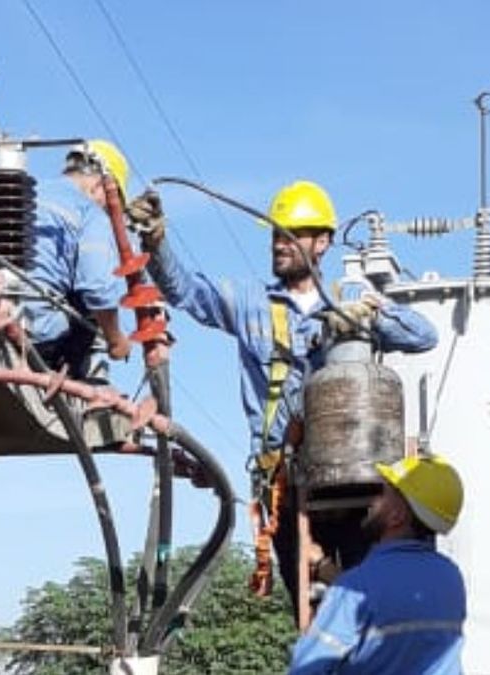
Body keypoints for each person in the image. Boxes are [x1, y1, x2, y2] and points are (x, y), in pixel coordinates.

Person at [128, 180, 438, 614]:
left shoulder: (348, 299)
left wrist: (374, 310)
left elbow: (425, 337)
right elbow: (186, 291)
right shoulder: (252, 302)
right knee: (312, 612)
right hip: (288, 484)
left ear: (323, 242)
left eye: (291, 235)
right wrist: (156, 241)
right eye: (275, 235)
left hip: (358, 481)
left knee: (373, 602)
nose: (279, 245)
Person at [288, 454, 466, 674]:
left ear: (397, 516)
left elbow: (306, 668)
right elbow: (390, 598)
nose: (373, 501)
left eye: (383, 493)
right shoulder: (450, 578)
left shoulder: (358, 585)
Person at [23, 139, 133, 378]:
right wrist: (116, 340)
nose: (108, 213)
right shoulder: (90, 211)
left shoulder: (25, 192)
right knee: (88, 313)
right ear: (100, 185)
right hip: (35, 332)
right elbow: (97, 288)